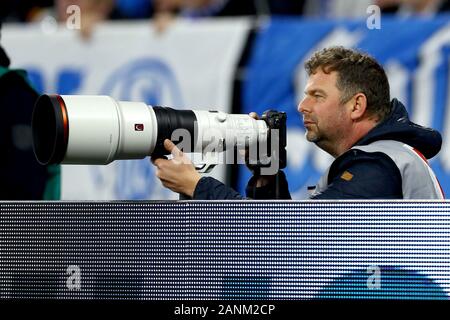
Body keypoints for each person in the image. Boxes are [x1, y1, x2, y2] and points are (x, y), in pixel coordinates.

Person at [151, 46, 444, 200]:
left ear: (356, 105)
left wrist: (197, 185)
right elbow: (288, 247)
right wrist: (267, 177)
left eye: (317, 96)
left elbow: (295, 241)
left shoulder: (379, 166)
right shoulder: (379, 159)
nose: (303, 106)